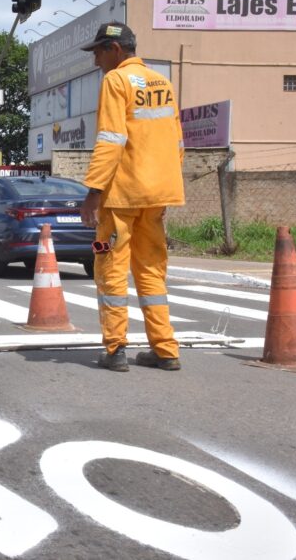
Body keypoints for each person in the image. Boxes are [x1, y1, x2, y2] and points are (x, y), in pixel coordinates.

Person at [78, 22, 185, 372]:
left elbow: (111, 139)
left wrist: (93, 192)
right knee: (152, 270)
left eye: (98, 52)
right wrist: (164, 188)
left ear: (115, 49)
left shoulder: (116, 81)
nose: (96, 60)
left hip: (121, 197)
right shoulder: (163, 83)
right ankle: (166, 349)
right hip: (156, 194)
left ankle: (114, 349)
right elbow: (177, 142)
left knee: (109, 266)